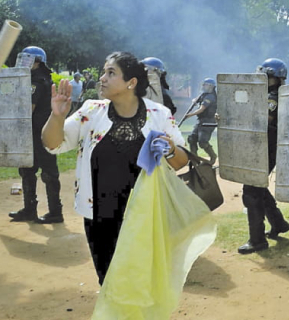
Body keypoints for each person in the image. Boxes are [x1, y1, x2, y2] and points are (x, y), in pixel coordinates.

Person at [42, 51, 187, 285]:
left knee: (141, 278)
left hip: (145, 214)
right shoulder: (91, 111)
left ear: (131, 83)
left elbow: (181, 162)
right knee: (108, 278)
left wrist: (169, 149)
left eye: (111, 73)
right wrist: (57, 116)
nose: (102, 78)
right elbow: (52, 144)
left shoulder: (159, 115)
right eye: (103, 72)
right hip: (99, 214)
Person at [237, 58, 289, 254]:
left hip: (267, 147)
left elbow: (264, 119)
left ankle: (257, 240)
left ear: (272, 77)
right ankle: (279, 223)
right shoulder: (268, 94)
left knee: (251, 191)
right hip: (264, 146)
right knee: (258, 186)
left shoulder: (273, 96)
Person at [7, 46, 62, 224]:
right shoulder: (31, 78)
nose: (23, 63)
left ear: (37, 62)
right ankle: (29, 210)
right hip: (31, 132)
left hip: (41, 133)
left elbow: (27, 109)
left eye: (27, 59)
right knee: (27, 170)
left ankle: (55, 212)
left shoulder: (38, 80)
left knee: (48, 173)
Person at [183, 78, 218, 164]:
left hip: (209, 122)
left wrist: (189, 115)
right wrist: (194, 100)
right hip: (201, 121)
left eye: (205, 85)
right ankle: (194, 159)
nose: (203, 86)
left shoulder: (211, 97)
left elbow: (202, 109)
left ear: (210, 86)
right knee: (192, 139)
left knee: (202, 142)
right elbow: (197, 100)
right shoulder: (203, 95)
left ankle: (213, 156)